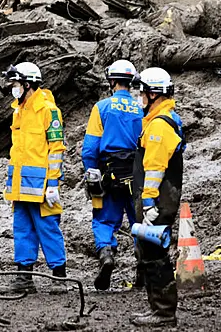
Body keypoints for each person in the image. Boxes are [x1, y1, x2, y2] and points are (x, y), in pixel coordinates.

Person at [1, 62, 68, 295]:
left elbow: (56, 149)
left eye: (16, 83)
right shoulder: (19, 109)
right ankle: (24, 276)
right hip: (20, 186)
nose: (13, 88)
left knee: (48, 229)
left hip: (41, 187)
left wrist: (53, 183)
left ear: (27, 83)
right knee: (22, 230)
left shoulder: (49, 110)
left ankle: (59, 276)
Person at [82, 59, 144, 291]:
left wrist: (91, 171)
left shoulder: (102, 107)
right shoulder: (142, 109)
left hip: (109, 173)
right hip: (137, 174)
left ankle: (107, 254)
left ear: (112, 80)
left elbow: (90, 148)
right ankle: (143, 267)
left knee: (104, 219)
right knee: (139, 221)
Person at [131, 67, 184, 326]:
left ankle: (163, 312)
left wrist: (149, 201)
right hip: (159, 200)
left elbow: (154, 168)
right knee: (149, 253)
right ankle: (158, 309)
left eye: (142, 92)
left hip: (158, 202)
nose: (139, 96)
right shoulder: (158, 120)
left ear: (153, 94)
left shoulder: (159, 126)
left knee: (155, 255)